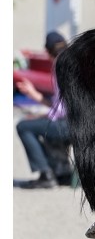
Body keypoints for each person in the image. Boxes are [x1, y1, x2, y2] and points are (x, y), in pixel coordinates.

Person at [14, 31, 73, 189]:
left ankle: (45, 174)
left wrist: (39, 114)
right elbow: (61, 107)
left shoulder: (59, 67)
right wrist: (33, 94)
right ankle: (63, 172)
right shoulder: (74, 63)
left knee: (23, 126)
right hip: (83, 123)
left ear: (47, 52)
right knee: (43, 124)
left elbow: (59, 113)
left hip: (70, 125)